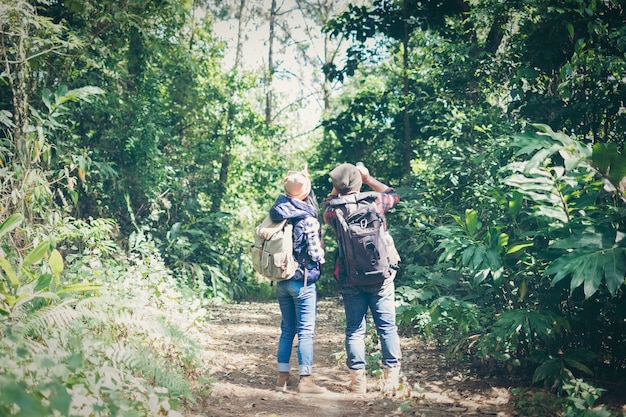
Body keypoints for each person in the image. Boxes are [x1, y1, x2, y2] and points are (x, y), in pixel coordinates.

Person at [322, 162, 402, 395]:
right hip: (381, 276)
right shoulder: (375, 201)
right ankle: (390, 381)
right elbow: (393, 194)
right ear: (359, 181)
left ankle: (358, 382)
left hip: (350, 277)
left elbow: (328, 201)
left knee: (355, 329)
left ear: (336, 186)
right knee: (386, 327)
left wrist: (338, 188)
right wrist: (367, 178)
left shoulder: (331, 210)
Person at [269, 169, 327, 394]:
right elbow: (315, 254)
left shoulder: (277, 213)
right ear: (305, 193)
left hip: (282, 280)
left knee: (287, 330)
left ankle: (282, 378)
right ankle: (305, 381)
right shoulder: (308, 218)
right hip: (302, 281)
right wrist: (321, 252)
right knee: (305, 332)